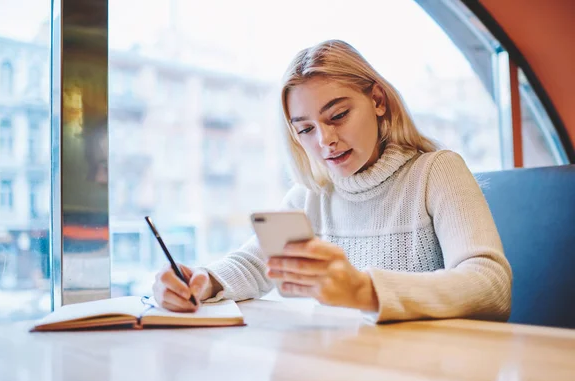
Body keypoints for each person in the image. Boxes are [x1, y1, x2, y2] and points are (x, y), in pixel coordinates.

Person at [152, 39, 512, 323]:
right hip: (347, 367)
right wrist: (202, 280)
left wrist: (364, 290)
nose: (324, 141)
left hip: (427, 370)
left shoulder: (437, 172)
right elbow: (253, 265)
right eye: (305, 129)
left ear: (378, 100)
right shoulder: (310, 198)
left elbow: (490, 284)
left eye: (338, 115)